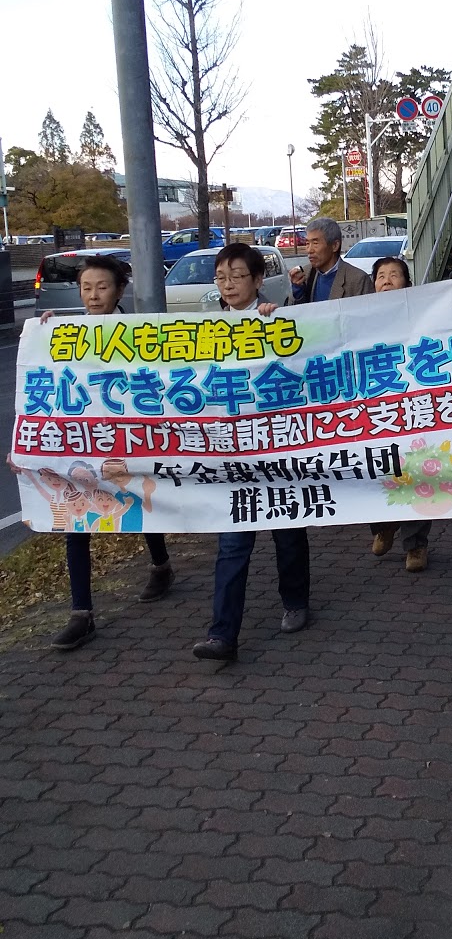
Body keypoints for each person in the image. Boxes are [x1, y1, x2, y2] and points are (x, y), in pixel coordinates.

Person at [39, 255, 174, 651]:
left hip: (127, 436)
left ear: (119, 290)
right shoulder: (64, 330)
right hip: (80, 440)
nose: (93, 295)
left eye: (102, 287)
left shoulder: (138, 331)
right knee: (77, 519)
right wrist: (43, 332)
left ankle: (161, 564)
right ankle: (82, 613)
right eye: (86, 287)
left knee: (134, 501)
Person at [193, 243, 312, 661]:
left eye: (237, 276)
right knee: (231, 546)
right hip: (232, 457)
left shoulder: (279, 319)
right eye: (221, 277)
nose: (228, 284)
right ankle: (222, 634)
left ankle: (295, 601)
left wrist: (278, 319)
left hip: (277, 448)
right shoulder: (203, 329)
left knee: (288, 533)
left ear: (259, 280)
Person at [368, 255, 432, 573]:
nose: (387, 280)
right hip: (373, 409)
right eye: (381, 275)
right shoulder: (358, 317)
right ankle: (384, 526)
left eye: (395, 274)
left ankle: (416, 544)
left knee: (416, 471)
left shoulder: (421, 314)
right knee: (378, 469)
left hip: (412, 406)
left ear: (407, 282)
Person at [287, 217, 373, 302]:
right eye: (307, 243)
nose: (309, 250)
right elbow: (293, 313)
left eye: (315, 243)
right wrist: (297, 292)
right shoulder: (304, 275)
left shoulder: (358, 280)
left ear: (335, 245)